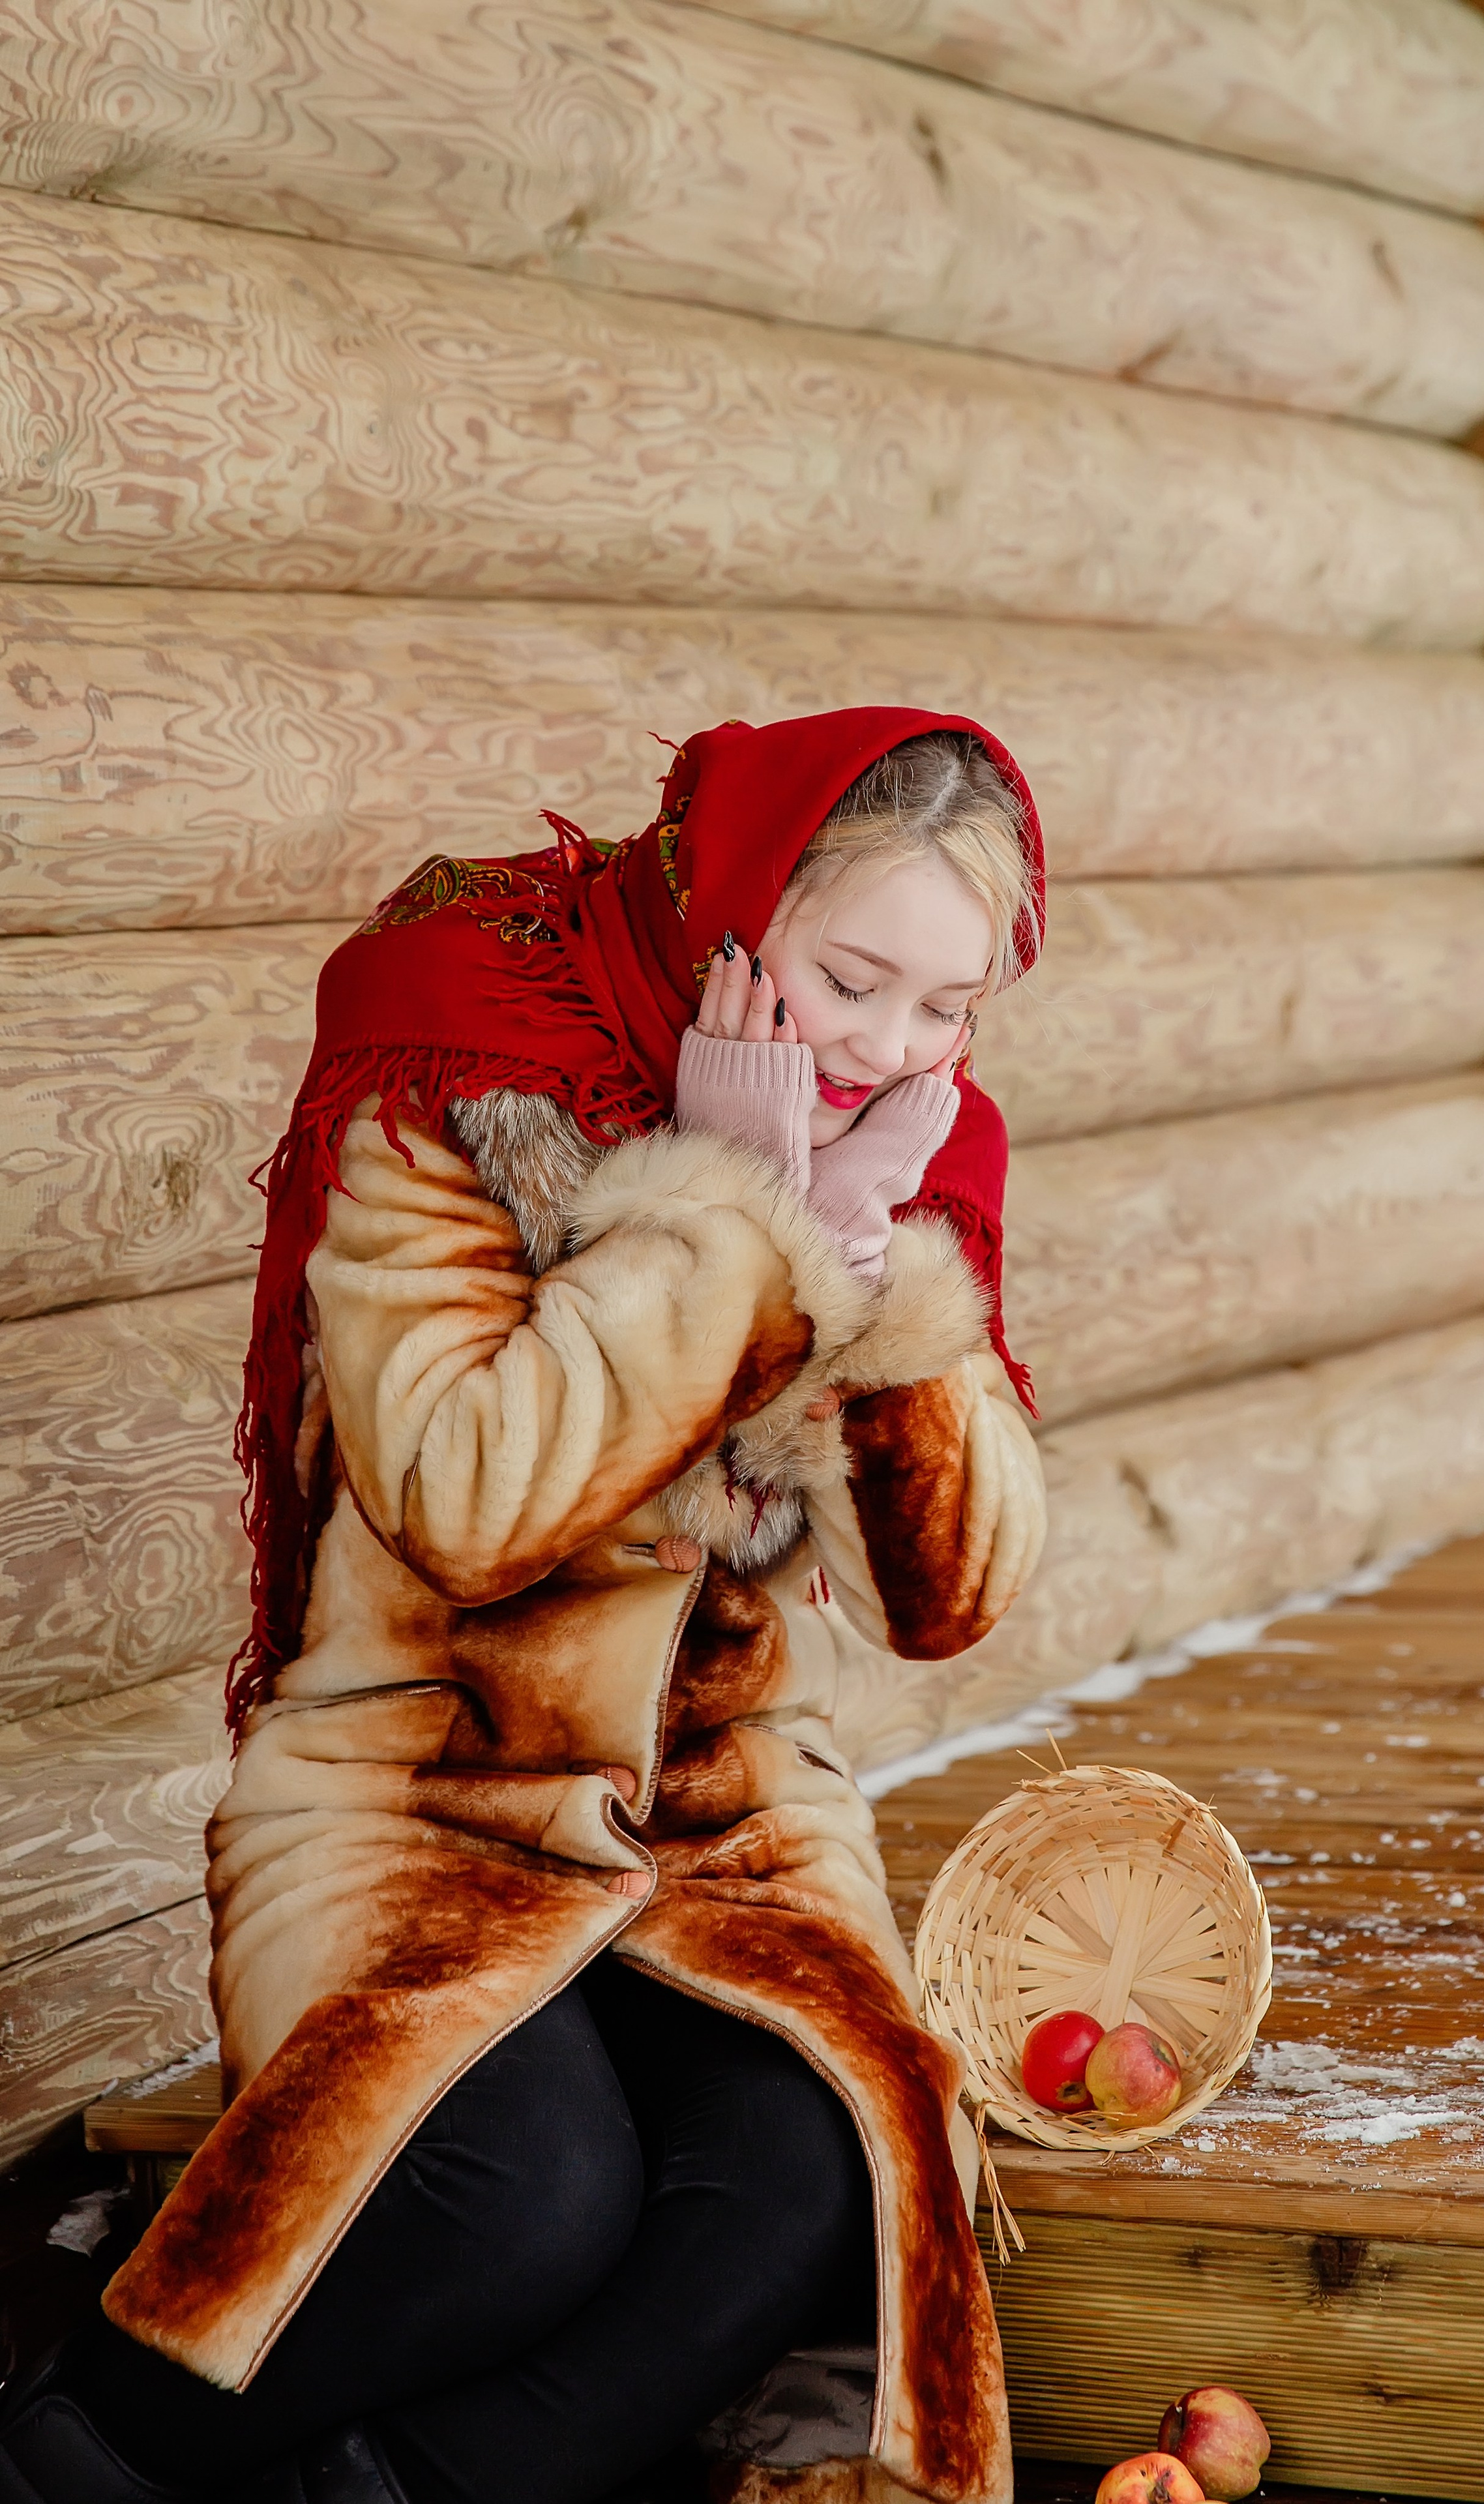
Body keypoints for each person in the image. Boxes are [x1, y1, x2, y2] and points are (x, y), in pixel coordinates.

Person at [0, 709, 1048, 2504]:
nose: (887, 1052)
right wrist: (725, 1214)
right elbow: (472, 1505)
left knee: (818, 2167)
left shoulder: (908, 1152)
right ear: (730, 907)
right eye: (848, 981)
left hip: (717, 1814)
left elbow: (941, 1596)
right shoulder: (455, 1059)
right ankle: (71, 2446)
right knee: (527, 2197)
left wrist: (874, 1290)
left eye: (944, 1008)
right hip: (415, 1786)